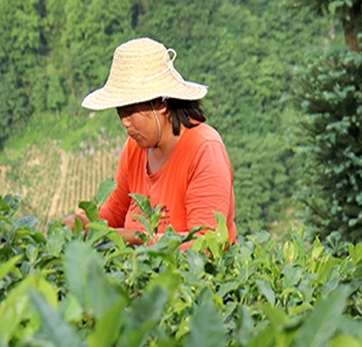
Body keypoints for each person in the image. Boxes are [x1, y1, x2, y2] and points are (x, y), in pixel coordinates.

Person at [63, 37, 237, 245]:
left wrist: (132, 237)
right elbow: (114, 214)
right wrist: (83, 223)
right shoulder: (134, 149)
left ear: (160, 104)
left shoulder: (204, 150)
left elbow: (206, 243)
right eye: (120, 113)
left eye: (130, 112)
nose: (125, 123)